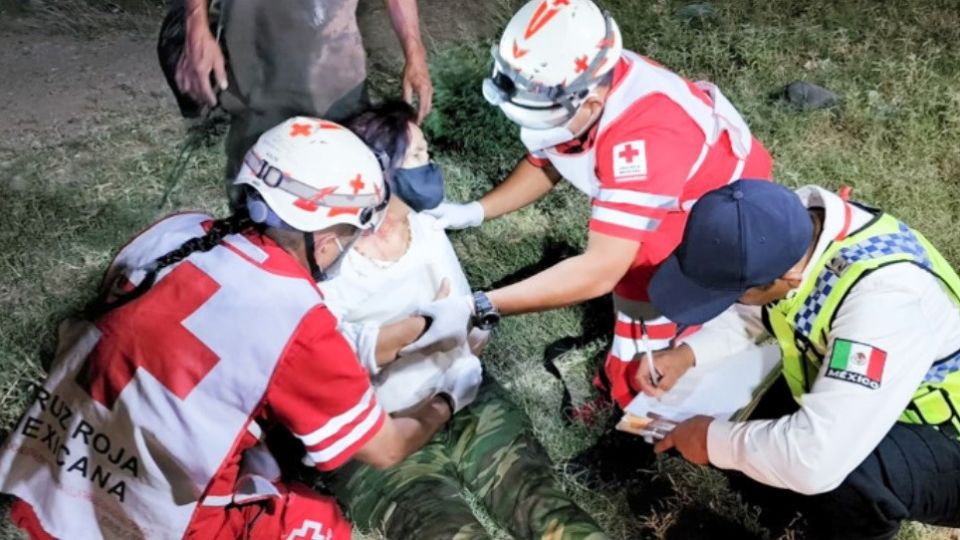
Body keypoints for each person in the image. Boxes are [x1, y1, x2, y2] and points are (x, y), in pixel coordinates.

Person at [0, 118, 461, 540]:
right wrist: (447, 399)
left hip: (51, 479)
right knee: (324, 525)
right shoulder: (298, 320)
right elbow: (386, 449)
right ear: (326, 238)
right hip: (147, 523)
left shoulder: (175, 232)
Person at [424, 0, 773, 410]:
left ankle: (634, 397)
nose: (538, 132)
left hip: (709, 210)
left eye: (542, 120)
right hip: (678, 181)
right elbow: (549, 157)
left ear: (589, 104)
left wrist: (480, 306)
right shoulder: (575, 82)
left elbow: (598, 272)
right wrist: (476, 211)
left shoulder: (645, 139)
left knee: (645, 308)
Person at [316, 101, 610, 540]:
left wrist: (459, 339)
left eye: (426, 153)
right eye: (416, 157)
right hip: (378, 433)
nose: (429, 167)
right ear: (373, 171)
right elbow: (327, 372)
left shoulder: (425, 226)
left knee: (545, 509)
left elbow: (466, 325)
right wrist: (427, 331)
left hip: (465, 395)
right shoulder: (325, 262)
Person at [645, 179, 960, 539]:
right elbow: (763, 309)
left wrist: (709, 440)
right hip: (888, 388)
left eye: (731, 293)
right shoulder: (786, 228)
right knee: (762, 425)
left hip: (947, 434)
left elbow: (816, 460)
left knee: (851, 474)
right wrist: (687, 354)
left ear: (789, 277)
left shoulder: (882, 304)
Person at [167, 0, 433, 208]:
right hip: (258, 69)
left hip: (336, 74)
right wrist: (196, 25)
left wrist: (415, 52)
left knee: (346, 182)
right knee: (260, 190)